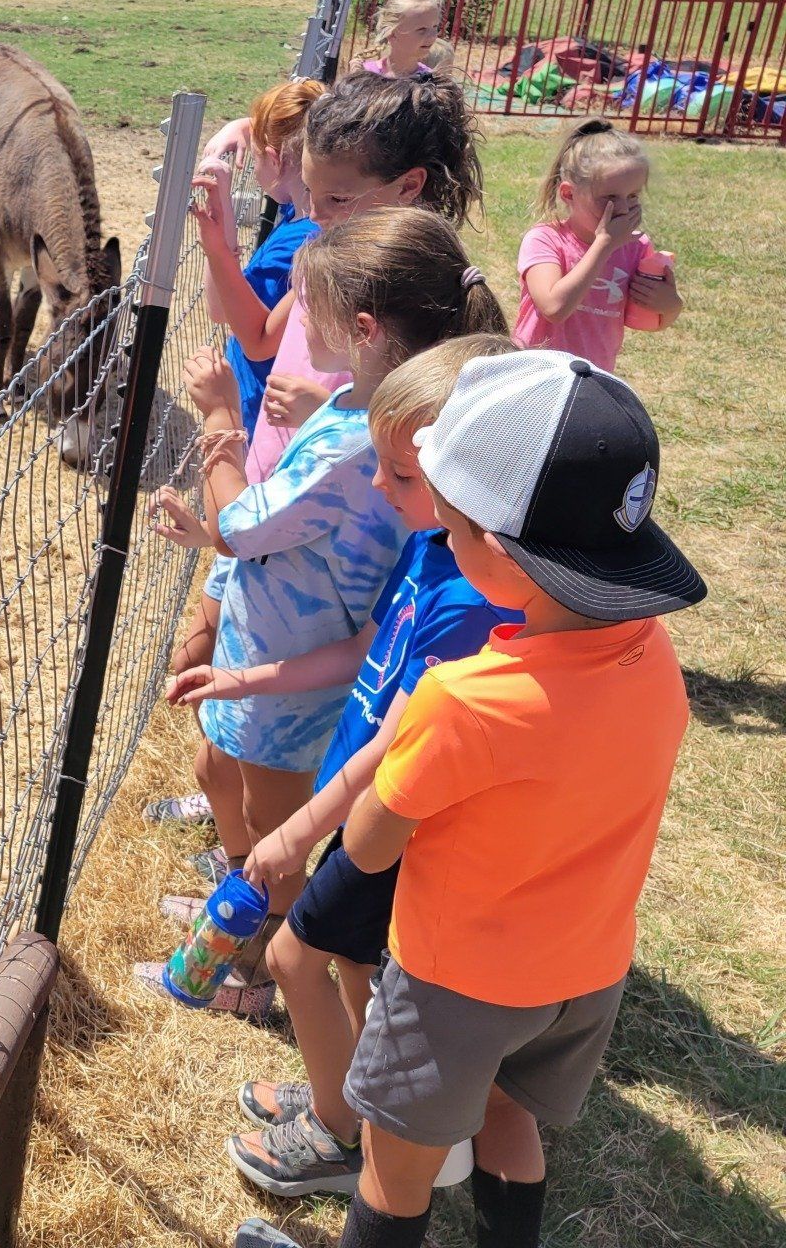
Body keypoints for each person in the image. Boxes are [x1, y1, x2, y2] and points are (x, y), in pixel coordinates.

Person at [238, 349, 706, 1248]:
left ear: (498, 549)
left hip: (459, 985)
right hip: (584, 971)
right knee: (506, 1112)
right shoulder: (654, 656)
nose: (443, 543)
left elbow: (371, 847)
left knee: (393, 1171)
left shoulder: (467, 699)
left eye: (451, 528)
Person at [166, 329, 521, 1197]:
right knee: (357, 967)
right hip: (362, 802)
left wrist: (296, 833)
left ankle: (335, 1132)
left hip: (393, 820)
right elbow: (364, 650)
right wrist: (243, 677)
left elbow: (404, 740)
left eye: (399, 474)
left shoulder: (471, 598)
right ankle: (354, 1099)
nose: (379, 488)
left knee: (297, 957)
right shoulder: (432, 549)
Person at [137, 207, 508, 1017]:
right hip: (270, 650)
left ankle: (251, 967)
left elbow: (243, 527)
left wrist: (221, 419)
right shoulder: (359, 410)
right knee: (215, 772)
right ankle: (237, 902)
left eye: (309, 308)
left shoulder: (361, 443)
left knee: (270, 817)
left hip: (298, 672)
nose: (295, 322)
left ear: (363, 330)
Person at [143, 79, 326, 844]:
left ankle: (239, 825)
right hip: (256, 455)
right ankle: (223, 791)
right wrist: (229, 140)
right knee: (207, 648)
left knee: (217, 654)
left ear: (286, 155)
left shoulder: (305, 240)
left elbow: (240, 324)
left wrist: (217, 244)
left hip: (256, 453)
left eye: (260, 148)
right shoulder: (308, 227)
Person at [201, 70, 483, 486]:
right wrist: (217, 246)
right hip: (281, 472)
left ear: (409, 186)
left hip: (339, 495)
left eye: (337, 198)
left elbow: (428, 439)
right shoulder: (326, 255)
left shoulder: (421, 290)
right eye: (309, 192)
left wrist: (326, 412)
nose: (315, 215)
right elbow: (260, 341)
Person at [516, 119, 682, 371]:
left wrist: (671, 305)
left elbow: (646, 319)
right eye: (609, 197)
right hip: (535, 373)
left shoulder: (636, 247)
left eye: (633, 196)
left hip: (592, 378)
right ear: (569, 194)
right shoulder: (545, 239)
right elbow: (554, 308)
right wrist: (605, 245)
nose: (623, 208)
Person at [361, 0, 444, 79]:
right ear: (392, 34)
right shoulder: (366, 75)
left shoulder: (431, 81)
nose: (432, 37)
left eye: (435, 27)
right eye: (421, 29)